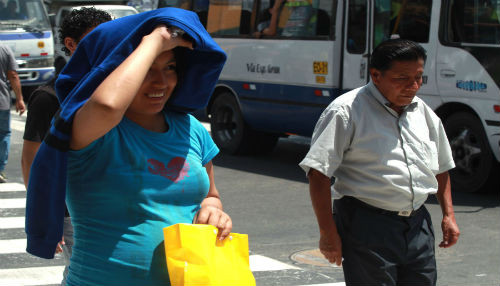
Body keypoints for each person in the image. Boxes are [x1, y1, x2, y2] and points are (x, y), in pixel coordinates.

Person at [25, 8, 230, 285]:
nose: (161, 81)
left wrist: (213, 209)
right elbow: (107, 105)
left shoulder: (191, 128)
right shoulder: (91, 128)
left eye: (170, 67)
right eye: (148, 68)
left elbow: (210, 195)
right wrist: (153, 41)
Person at [299, 39, 460, 285]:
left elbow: (441, 165)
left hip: (417, 225)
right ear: (376, 75)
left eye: (418, 77)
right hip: (367, 225)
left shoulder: (423, 112)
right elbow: (318, 173)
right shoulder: (346, 111)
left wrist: (448, 214)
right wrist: (327, 232)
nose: (413, 86)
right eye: (402, 78)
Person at [21, 7, 112, 286]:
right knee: (82, 275)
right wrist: (49, 215)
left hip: (115, 202)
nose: (106, 46)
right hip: (74, 212)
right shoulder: (49, 97)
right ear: (71, 44)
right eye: (95, 38)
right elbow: (31, 159)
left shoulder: (114, 87)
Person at [0, 43, 25, 183]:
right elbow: (13, 75)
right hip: (1, 101)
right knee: (3, 134)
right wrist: (20, 98)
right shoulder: (4, 49)